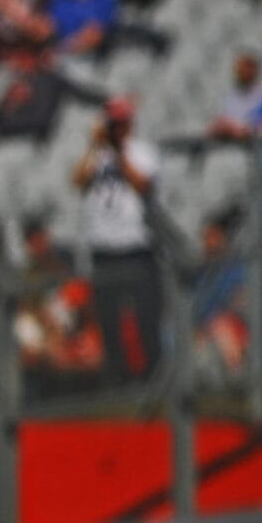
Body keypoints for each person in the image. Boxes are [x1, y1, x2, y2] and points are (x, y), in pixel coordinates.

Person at [72, 98, 163, 385]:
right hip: (104, 249)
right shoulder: (97, 155)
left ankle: (152, 378)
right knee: (109, 321)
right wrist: (94, 146)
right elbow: (78, 181)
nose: (116, 129)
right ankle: (117, 379)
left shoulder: (142, 152)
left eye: (120, 124)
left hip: (134, 247)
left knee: (145, 318)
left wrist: (119, 152)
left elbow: (142, 184)